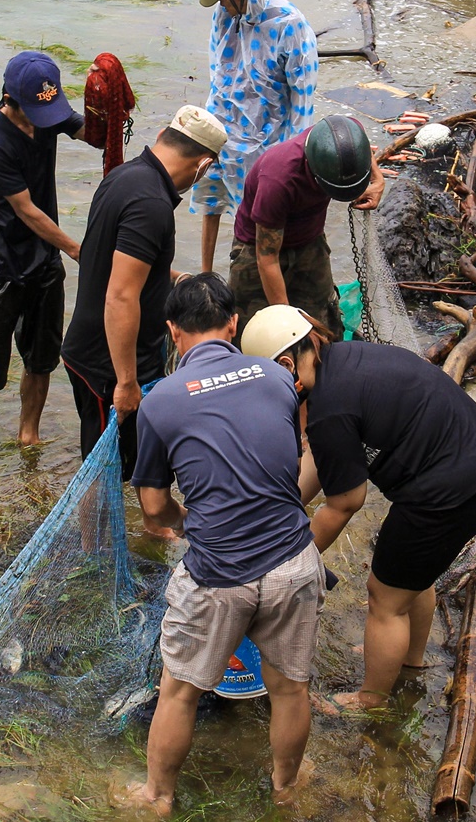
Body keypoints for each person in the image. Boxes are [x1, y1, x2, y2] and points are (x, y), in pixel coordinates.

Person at [120, 274, 325, 816]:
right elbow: (286, 457)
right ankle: (287, 787)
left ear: (171, 331)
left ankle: (157, 796)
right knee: (290, 689)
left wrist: (189, 524)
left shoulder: (159, 402)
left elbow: (154, 507)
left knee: (180, 691)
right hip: (293, 561)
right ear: (234, 325)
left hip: (217, 574)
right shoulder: (278, 378)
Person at [240, 305, 476, 714]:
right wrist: (280, 509)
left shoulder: (330, 408)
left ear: (286, 365)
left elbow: (345, 502)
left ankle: (371, 699)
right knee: (411, 578)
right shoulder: (343, 360)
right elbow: (318, 458)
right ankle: (408, 661)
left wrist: (284, 559)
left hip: (449, 493)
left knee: (383, 596)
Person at [60, 105, 226, 478]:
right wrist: (126, 381)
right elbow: (120, 295)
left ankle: (149, 527)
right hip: (107, 363)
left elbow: (105, 256)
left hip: (88, 349)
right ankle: (96, 538)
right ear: (203, 165)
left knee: (136, 462)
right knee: (102, 471)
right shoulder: (152, 204)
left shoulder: (125, 176)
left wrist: (175, 277)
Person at [0, 50, 94, 455]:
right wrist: (77, 250)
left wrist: (104, 97)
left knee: (41, 356)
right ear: (10, 97)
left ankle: (29, 434)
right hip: (0, 260)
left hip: (44, 259)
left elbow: (91, 134)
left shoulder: (47, 115)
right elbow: (27, 211)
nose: (48, 118)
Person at [193, 0, 318, 275]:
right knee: (211, 197)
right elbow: (219, 71)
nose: (218, 5)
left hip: (267, 141)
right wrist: (213, 129)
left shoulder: (290, 26)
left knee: (257, 222)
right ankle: (206, 274)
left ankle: (250, 276)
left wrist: (285, 162)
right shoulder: (227, 14)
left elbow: (302, 103)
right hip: (226, 129)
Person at [229, 113, 385, 337]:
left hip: (309, 243)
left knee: (325, 325)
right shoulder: (279, 179)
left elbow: (363, 149)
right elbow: (267, 258)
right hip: (257, 252)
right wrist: (290, 326)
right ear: (312, 169)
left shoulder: (346, 134)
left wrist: (377, 180)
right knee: (255, 331)